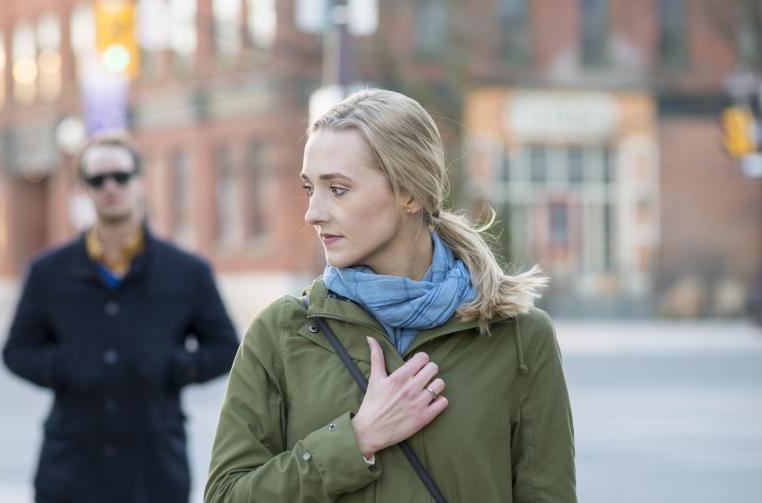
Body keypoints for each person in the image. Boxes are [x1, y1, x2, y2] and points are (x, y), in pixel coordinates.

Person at [205, 89, 575, 502]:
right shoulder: (281, 332)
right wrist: (356, 440)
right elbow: (225, 496)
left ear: (410, 193)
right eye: (311, 188)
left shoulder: (519, 337)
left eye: (338, 189)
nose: (313, 212)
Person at [2, 130, 239, 503]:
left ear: (140, 182)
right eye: (97, 180)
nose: (110, 187)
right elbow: (17, 351)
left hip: (154, 465)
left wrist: (172, 366)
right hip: (70, 466)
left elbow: (226, 347)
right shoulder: (49, 271)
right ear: (84, 189)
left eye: (121, 176)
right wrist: (67, 366)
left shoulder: (186, 270)